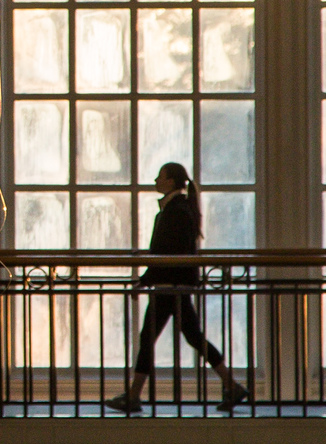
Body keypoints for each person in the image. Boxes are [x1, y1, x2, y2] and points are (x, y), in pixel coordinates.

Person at [107, 164, 250, 415]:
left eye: (160, 177)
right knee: (192, 336)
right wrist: (147, 278)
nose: (155, 180)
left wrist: (146, 279)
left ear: (171, 182)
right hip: (173, 284)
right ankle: (231, 384)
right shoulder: (177, 210)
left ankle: (133, 396)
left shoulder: (175, 212)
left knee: (150, 338)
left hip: (170, 285)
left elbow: (167, 253)